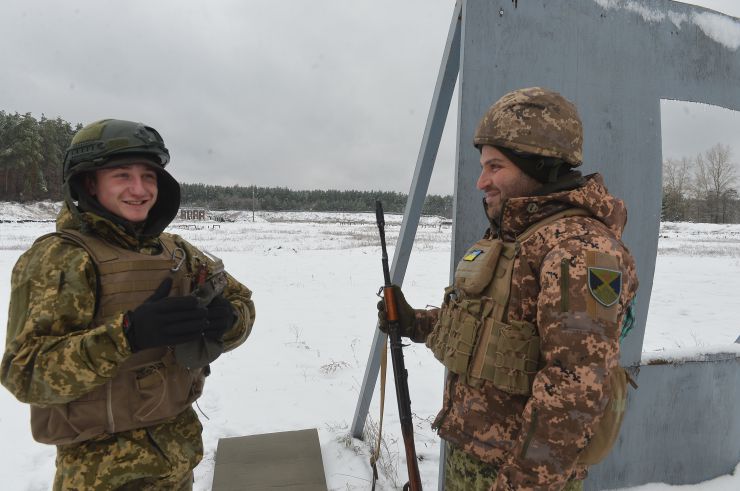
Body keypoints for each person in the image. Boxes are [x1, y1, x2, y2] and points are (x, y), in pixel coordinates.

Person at [378, 87, 638, 490]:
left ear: (539, 163)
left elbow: (574, 391)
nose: (482, 181)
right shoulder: (518, 239)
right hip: (472, 460)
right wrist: (415, 322)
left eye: (495, 166)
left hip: (516, 475)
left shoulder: (579, 251)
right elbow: (484, 333)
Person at [1, 119, 256, 490]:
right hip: (105, 477)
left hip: (177, 461)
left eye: (149, 176)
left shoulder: (175, 250)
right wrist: (127, 336)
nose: (140, 189)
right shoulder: (61, 259)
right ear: (89, 182)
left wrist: (227, 320)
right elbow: (24, 373)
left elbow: (241, 300)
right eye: (122, 175)